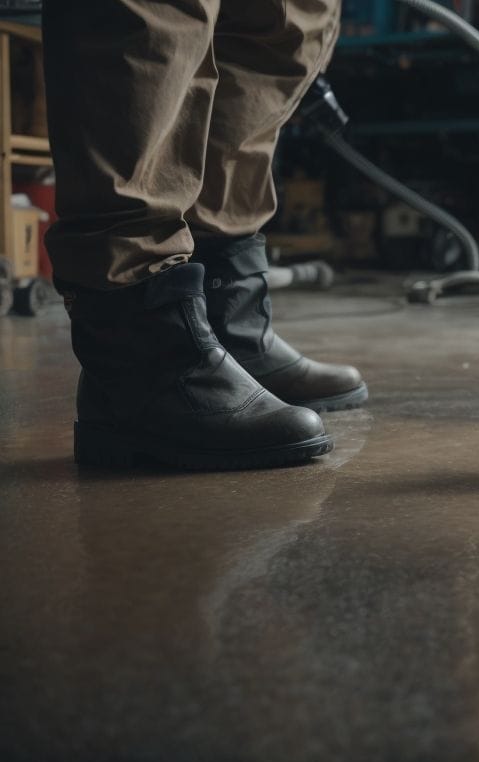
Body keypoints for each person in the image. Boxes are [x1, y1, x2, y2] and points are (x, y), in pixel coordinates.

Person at [43, 0, 365, 470]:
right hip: (138, 331)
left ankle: (228, 323)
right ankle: (143, 358)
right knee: (156, 19)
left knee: (278, 23)